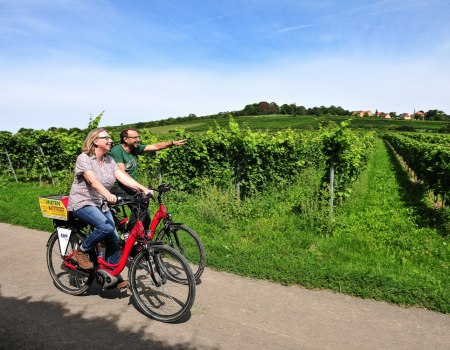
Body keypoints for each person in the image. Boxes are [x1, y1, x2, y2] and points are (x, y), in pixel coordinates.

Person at [68, 128, 152, 288]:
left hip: (100, 203)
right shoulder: (84, 158)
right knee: (106, 227)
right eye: (105, 138)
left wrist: (143, 189)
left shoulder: (109, 160)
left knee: (113, 238)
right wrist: (108, 195)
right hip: (83, 202)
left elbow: (123, 177)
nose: (110, 140)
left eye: (110, 138)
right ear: (95, 141)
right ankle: (82, 251)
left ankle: (109, 274)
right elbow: (93, 181)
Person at [110, 128, 186, 230]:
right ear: (125, 139)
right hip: (118, 186)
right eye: (134, 137)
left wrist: (172, 143)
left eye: (138, 137)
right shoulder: (117, 150)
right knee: (140, 204)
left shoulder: (135, 148)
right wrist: (139, 188)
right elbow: (122, 174)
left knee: (145, 216)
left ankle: (141, 240)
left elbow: (155, 146)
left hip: (130, 185)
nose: (138, 139)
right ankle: (130, 235)